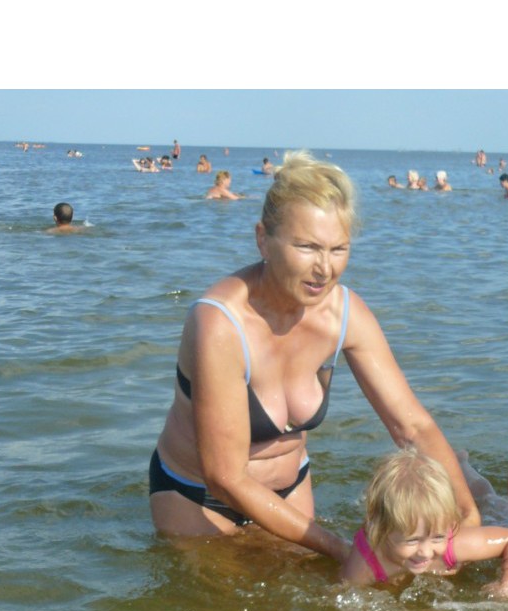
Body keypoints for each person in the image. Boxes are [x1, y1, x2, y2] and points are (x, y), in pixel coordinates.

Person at [150, 150, 480, 560]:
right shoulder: (220, 323)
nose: (325, 269)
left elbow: (412, 426)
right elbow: (226, 477)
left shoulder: (344, 313)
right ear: (263, 239)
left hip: (290, 488)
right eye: (307, 247)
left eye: (338, 249)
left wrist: (467, 515)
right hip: (199, 496)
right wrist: (340, 547)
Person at [341, 449, 508, 596]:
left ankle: (461, 464)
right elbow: (345, 595)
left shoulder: (454, 543)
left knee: (487, 499)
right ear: (380, 530)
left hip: (465, 516)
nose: (426, 552)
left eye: (437, 537)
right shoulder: (366, 563)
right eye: (412, 540)